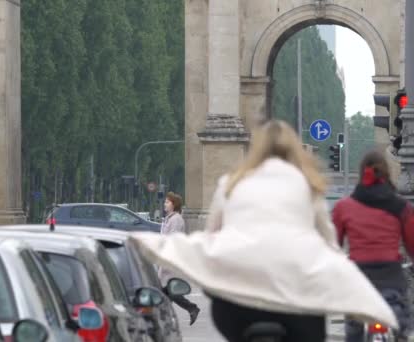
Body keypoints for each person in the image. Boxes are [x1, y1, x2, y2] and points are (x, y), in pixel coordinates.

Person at [129, 120, 397, 342]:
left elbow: (213, 236)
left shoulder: (230, 183)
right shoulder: (306, 185)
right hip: (295, 304)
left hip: (236, 310)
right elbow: (329, 243)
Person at [333, 150, 413, 341]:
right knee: (402, 327)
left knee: (353, 332)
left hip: (358, 282)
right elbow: (412, 244)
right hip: (392, 280)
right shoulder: (402, 207)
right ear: (386, 173)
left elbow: (333, 246)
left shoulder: (344, 207)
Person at [159, 192, 200, 325]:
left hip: (171, 260)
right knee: (167, 291)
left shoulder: (176, 219)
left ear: (174, 204)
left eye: (167, 202)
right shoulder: (169, 218)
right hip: (166, 258)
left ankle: (165, 317)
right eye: (165, 201)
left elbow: (171, 239)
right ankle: (165, 317)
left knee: (167, 290)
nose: (165, 204)